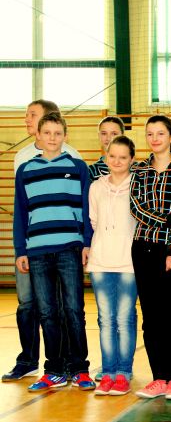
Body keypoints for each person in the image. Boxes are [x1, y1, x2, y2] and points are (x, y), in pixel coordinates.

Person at [13, 112, 95, 392]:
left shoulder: (78, 167)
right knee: (47, 312)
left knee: (74, 310)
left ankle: (80, 368)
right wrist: (21, 250)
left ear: (65, 136)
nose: (52, 138)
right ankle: (54, 370)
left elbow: (86, 209)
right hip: (37, 250)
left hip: (69, 248)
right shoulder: (26, 170)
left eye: (57, 133)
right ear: (38, 134)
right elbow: (20, 213)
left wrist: (86, 243)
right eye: (46, 133)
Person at [3, 99, 81, 382]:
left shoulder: (72, 156)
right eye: (26, 115)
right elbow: (23, 205)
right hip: (33, 245)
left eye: (32, 115)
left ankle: (67, 362)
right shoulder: (22, 157)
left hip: (63, 245)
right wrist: (20, 248)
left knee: (62, 306)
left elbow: (78, 203)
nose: (26, 119)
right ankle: (28, 360)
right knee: (27, 303)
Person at [130, 115, 171, 400]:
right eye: (150, 134)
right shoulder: (140, 169)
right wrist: (169, 219)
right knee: (152, 317)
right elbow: (136, 207)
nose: (154, 138)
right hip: (143, 247)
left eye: (160, 133)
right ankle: (159, 377)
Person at [87, 135, 138, 396]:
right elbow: (94, 220)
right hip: (100, 261)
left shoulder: (138, 185)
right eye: (112, 156)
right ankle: (108, 373)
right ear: (106, 157)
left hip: (129, 262)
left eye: (123, 157)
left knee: (124, 318)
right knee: (105, 319)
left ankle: (124, 372)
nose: (117, 161)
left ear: (131, 159)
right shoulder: (96, 187)